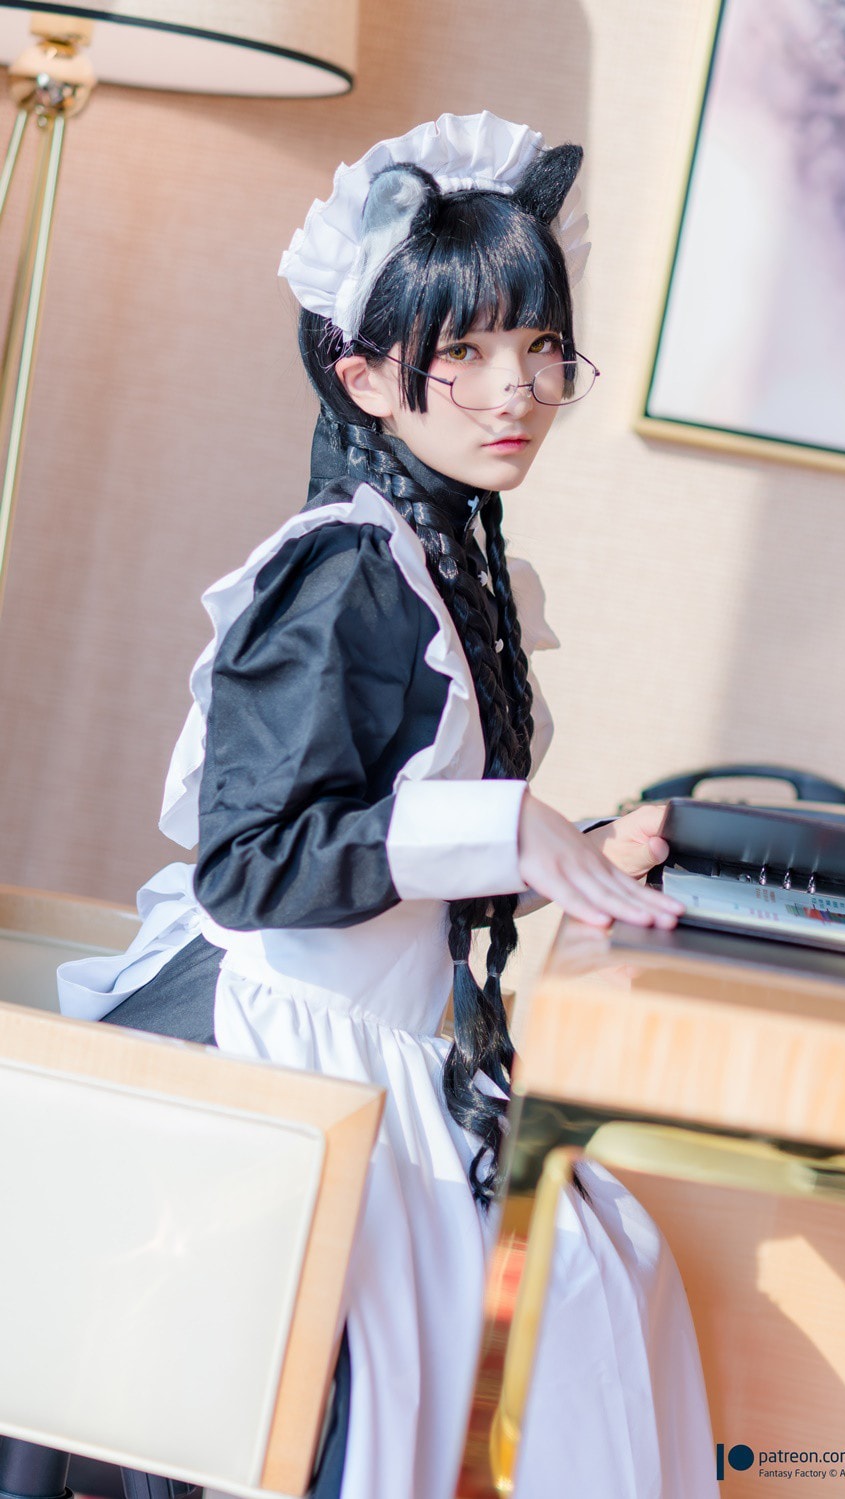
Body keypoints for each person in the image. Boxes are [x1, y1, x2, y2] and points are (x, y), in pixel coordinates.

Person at [57, 112, 718, 1499]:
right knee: (562, 1317)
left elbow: (401, 826)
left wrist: (574, 849)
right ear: (363, 376)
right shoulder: (341, 570)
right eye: (463, 352)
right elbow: (252, 864)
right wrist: (503, 830)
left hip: (389, 1039)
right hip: (281, 1052)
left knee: (597, 1289)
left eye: (540, 345)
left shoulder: (445, 556)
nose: (516, 389)